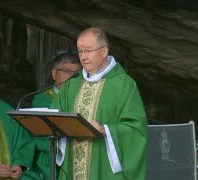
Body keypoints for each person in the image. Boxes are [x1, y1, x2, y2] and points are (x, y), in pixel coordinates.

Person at [51, 27, 147, 180]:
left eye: (88, 51)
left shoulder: (124, 85)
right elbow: (54, 119)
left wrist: (106, 130)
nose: (83, 57)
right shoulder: (71, 85)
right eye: (80, 51)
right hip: (72, 166)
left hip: (104, 168)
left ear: (103, 52)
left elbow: (136, 129)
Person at [31, 51, 81, 180]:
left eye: (76, 73)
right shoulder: (42, 99)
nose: (72, 77)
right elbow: (39, 136)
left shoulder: (83, 99)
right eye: (67, 71)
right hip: (50, 159)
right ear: (54, 73)